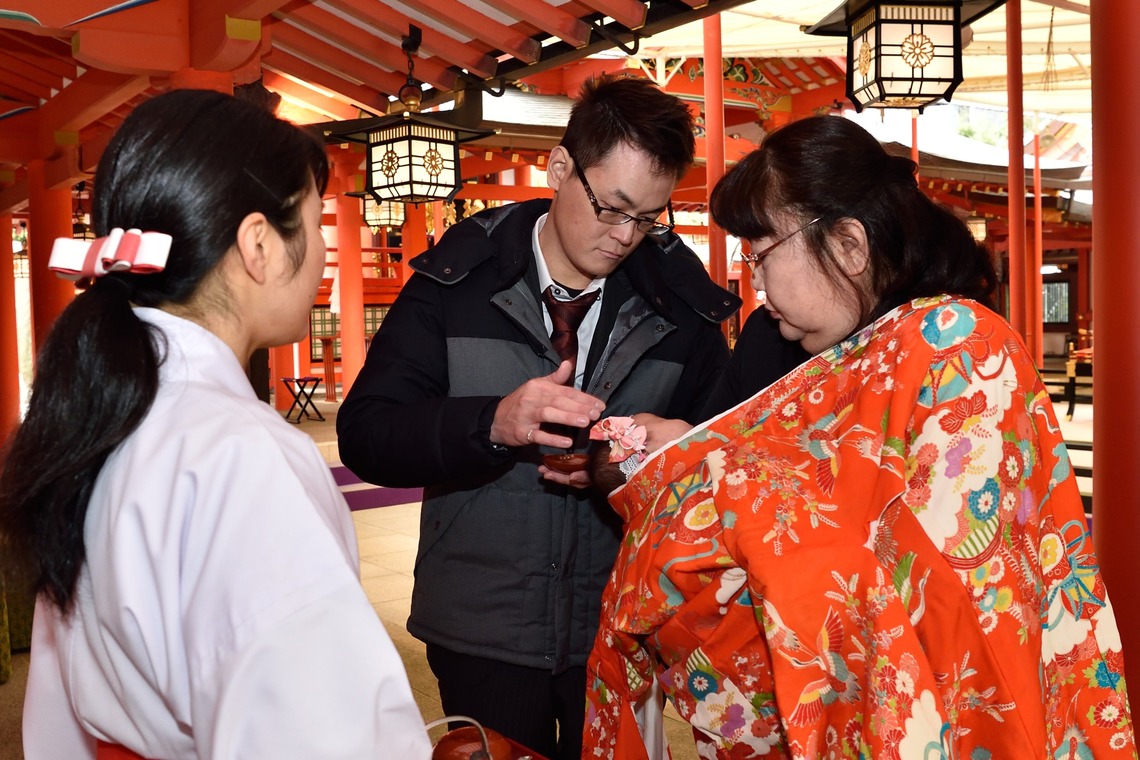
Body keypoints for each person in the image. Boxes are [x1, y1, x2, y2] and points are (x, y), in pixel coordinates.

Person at [583, 115, 1136, 758]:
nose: (757, 286)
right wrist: (688, 457)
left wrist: (728, 491)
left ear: (847, 244)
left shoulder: (955, 346)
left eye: (760, 254)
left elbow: (951, 590)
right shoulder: (810, 346)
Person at [0, 89, 432, 759]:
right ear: (259, 244)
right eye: (315, 225)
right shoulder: (239, 458)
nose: (321, 252)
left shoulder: (101, 419)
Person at [336, 74, 738, 760]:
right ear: (559, 167)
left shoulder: (683, 310)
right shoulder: (454, 284)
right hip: (481, 625)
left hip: (620, 626)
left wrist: (628, 471)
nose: (623, 237)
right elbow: (368, 435)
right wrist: (491, 422)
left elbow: (720, 464)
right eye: (611, 207)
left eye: (648, 218)